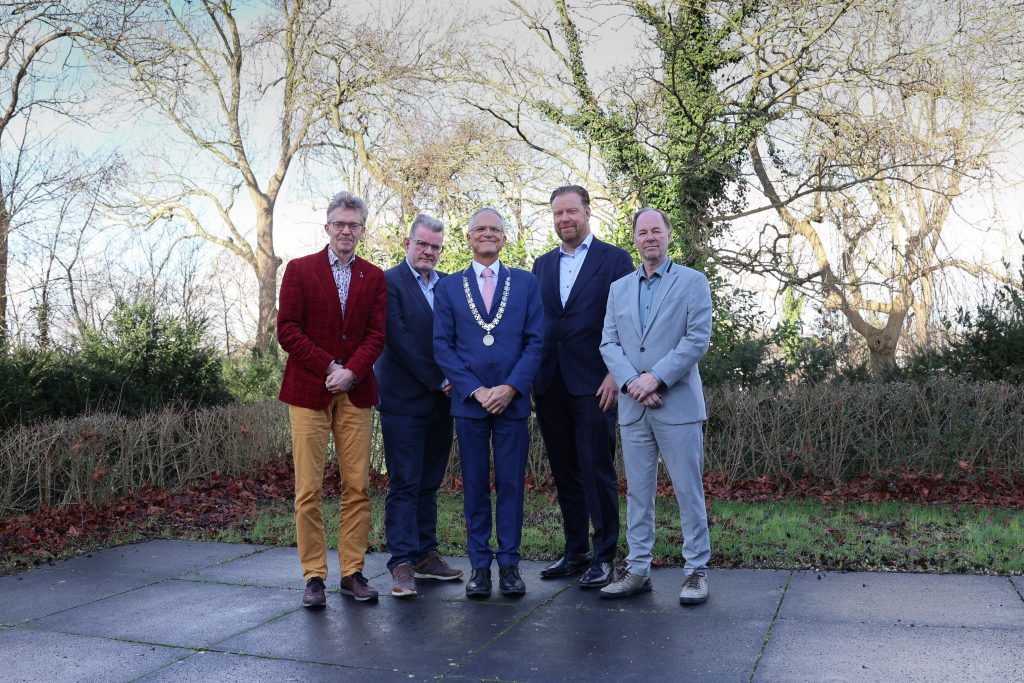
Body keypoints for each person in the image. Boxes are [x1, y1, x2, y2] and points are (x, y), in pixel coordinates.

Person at [598, 207, 713, 605]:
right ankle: (638, 569)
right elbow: (608, 343)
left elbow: (697, 340)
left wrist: (656, 377)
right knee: (638, 493)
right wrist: (633, 383)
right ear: (635, 239)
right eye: (642, 232)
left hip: (676, 404)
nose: (649, 237)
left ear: (667, 235)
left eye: (656, 231)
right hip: (633, 407)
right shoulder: (619, 288)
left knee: (687, 490)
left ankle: (696, 570)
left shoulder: (692, 282)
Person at [277, 191, 386, 607]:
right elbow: (287, 329)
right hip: (308, 391)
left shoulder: (373, 277)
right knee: (308, 489)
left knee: (357, 485)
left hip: (356, 393)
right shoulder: (301, 270)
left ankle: (353, 573)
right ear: (327, 227)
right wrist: (328, 367)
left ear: (362, 229)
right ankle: (314, 577)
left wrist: (352, 371)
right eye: (339, 223)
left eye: (353, 224)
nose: (346, 230)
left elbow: (377, 334)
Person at [432, 207, 544, 598]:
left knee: (512, 485)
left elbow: (535, 341)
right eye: (480, 229)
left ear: (504, 237)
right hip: (469, 404)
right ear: (468, 238)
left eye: (495, 229)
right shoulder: (448, 287)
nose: (487, 234)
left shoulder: (527, 284)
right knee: (475, 487)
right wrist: (476, 390)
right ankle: (480, 567)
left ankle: (510, 565)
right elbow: (442, 347)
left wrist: (511, 387)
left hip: (512, 404)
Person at [532, 185, 634, 589]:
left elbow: (627, 322)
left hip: (596, 383)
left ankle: (605, 554)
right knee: (564, 472)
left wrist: (616, 373)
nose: (564, 220)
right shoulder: (541, 265)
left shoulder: (615, 260)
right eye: (558, 214)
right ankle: (575, 551)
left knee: (596, 470)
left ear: (587, 213)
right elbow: (539, 325)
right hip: (550, 383)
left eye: (571, 212)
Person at [375, 214, 463, 598]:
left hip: (443, 404)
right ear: (407, 243)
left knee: (430, 482)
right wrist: (440, 379)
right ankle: (402, 562)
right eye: (422, 244)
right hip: (404, 402)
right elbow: (399, 340)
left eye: (435, 247)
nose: (429, 251)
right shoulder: (389, 282)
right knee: (405, 483)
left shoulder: (447, 285)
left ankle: (426, 554)